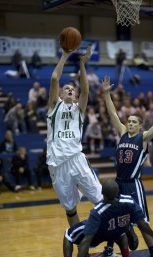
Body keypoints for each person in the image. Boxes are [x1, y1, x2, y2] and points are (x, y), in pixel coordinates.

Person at [99, 76, 153, 257]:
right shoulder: (122, 132)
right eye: (129, 121)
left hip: (133, 185)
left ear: (140, 125)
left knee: (141, 222)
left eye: (134, 122)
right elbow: (112, 112)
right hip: (117, 184)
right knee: (112, 217)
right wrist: (106, 94)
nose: (130, 123)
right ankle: (109, 248)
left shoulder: (143, 138)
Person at [53, 179, 153, 257]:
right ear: (118, 192)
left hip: (98, 235)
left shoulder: (97, 211)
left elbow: (86, 240)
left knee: (68, 235)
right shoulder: (129, 201)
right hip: (116, 232)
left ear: (102, 193)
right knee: (122, 233)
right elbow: (142, 223)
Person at [46, 47, 103, 227]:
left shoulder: (79, 110)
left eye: (72, 88)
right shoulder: (54, 107)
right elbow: (55, 78)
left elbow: (86, 91)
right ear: (61, 95)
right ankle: (81, 245)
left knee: (100, 199)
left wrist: (82, 64)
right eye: (66, 88)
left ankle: (112, 239)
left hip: (77, 158)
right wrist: (64, 56)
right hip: (57, 163)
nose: (70, 90)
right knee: (70, 208)